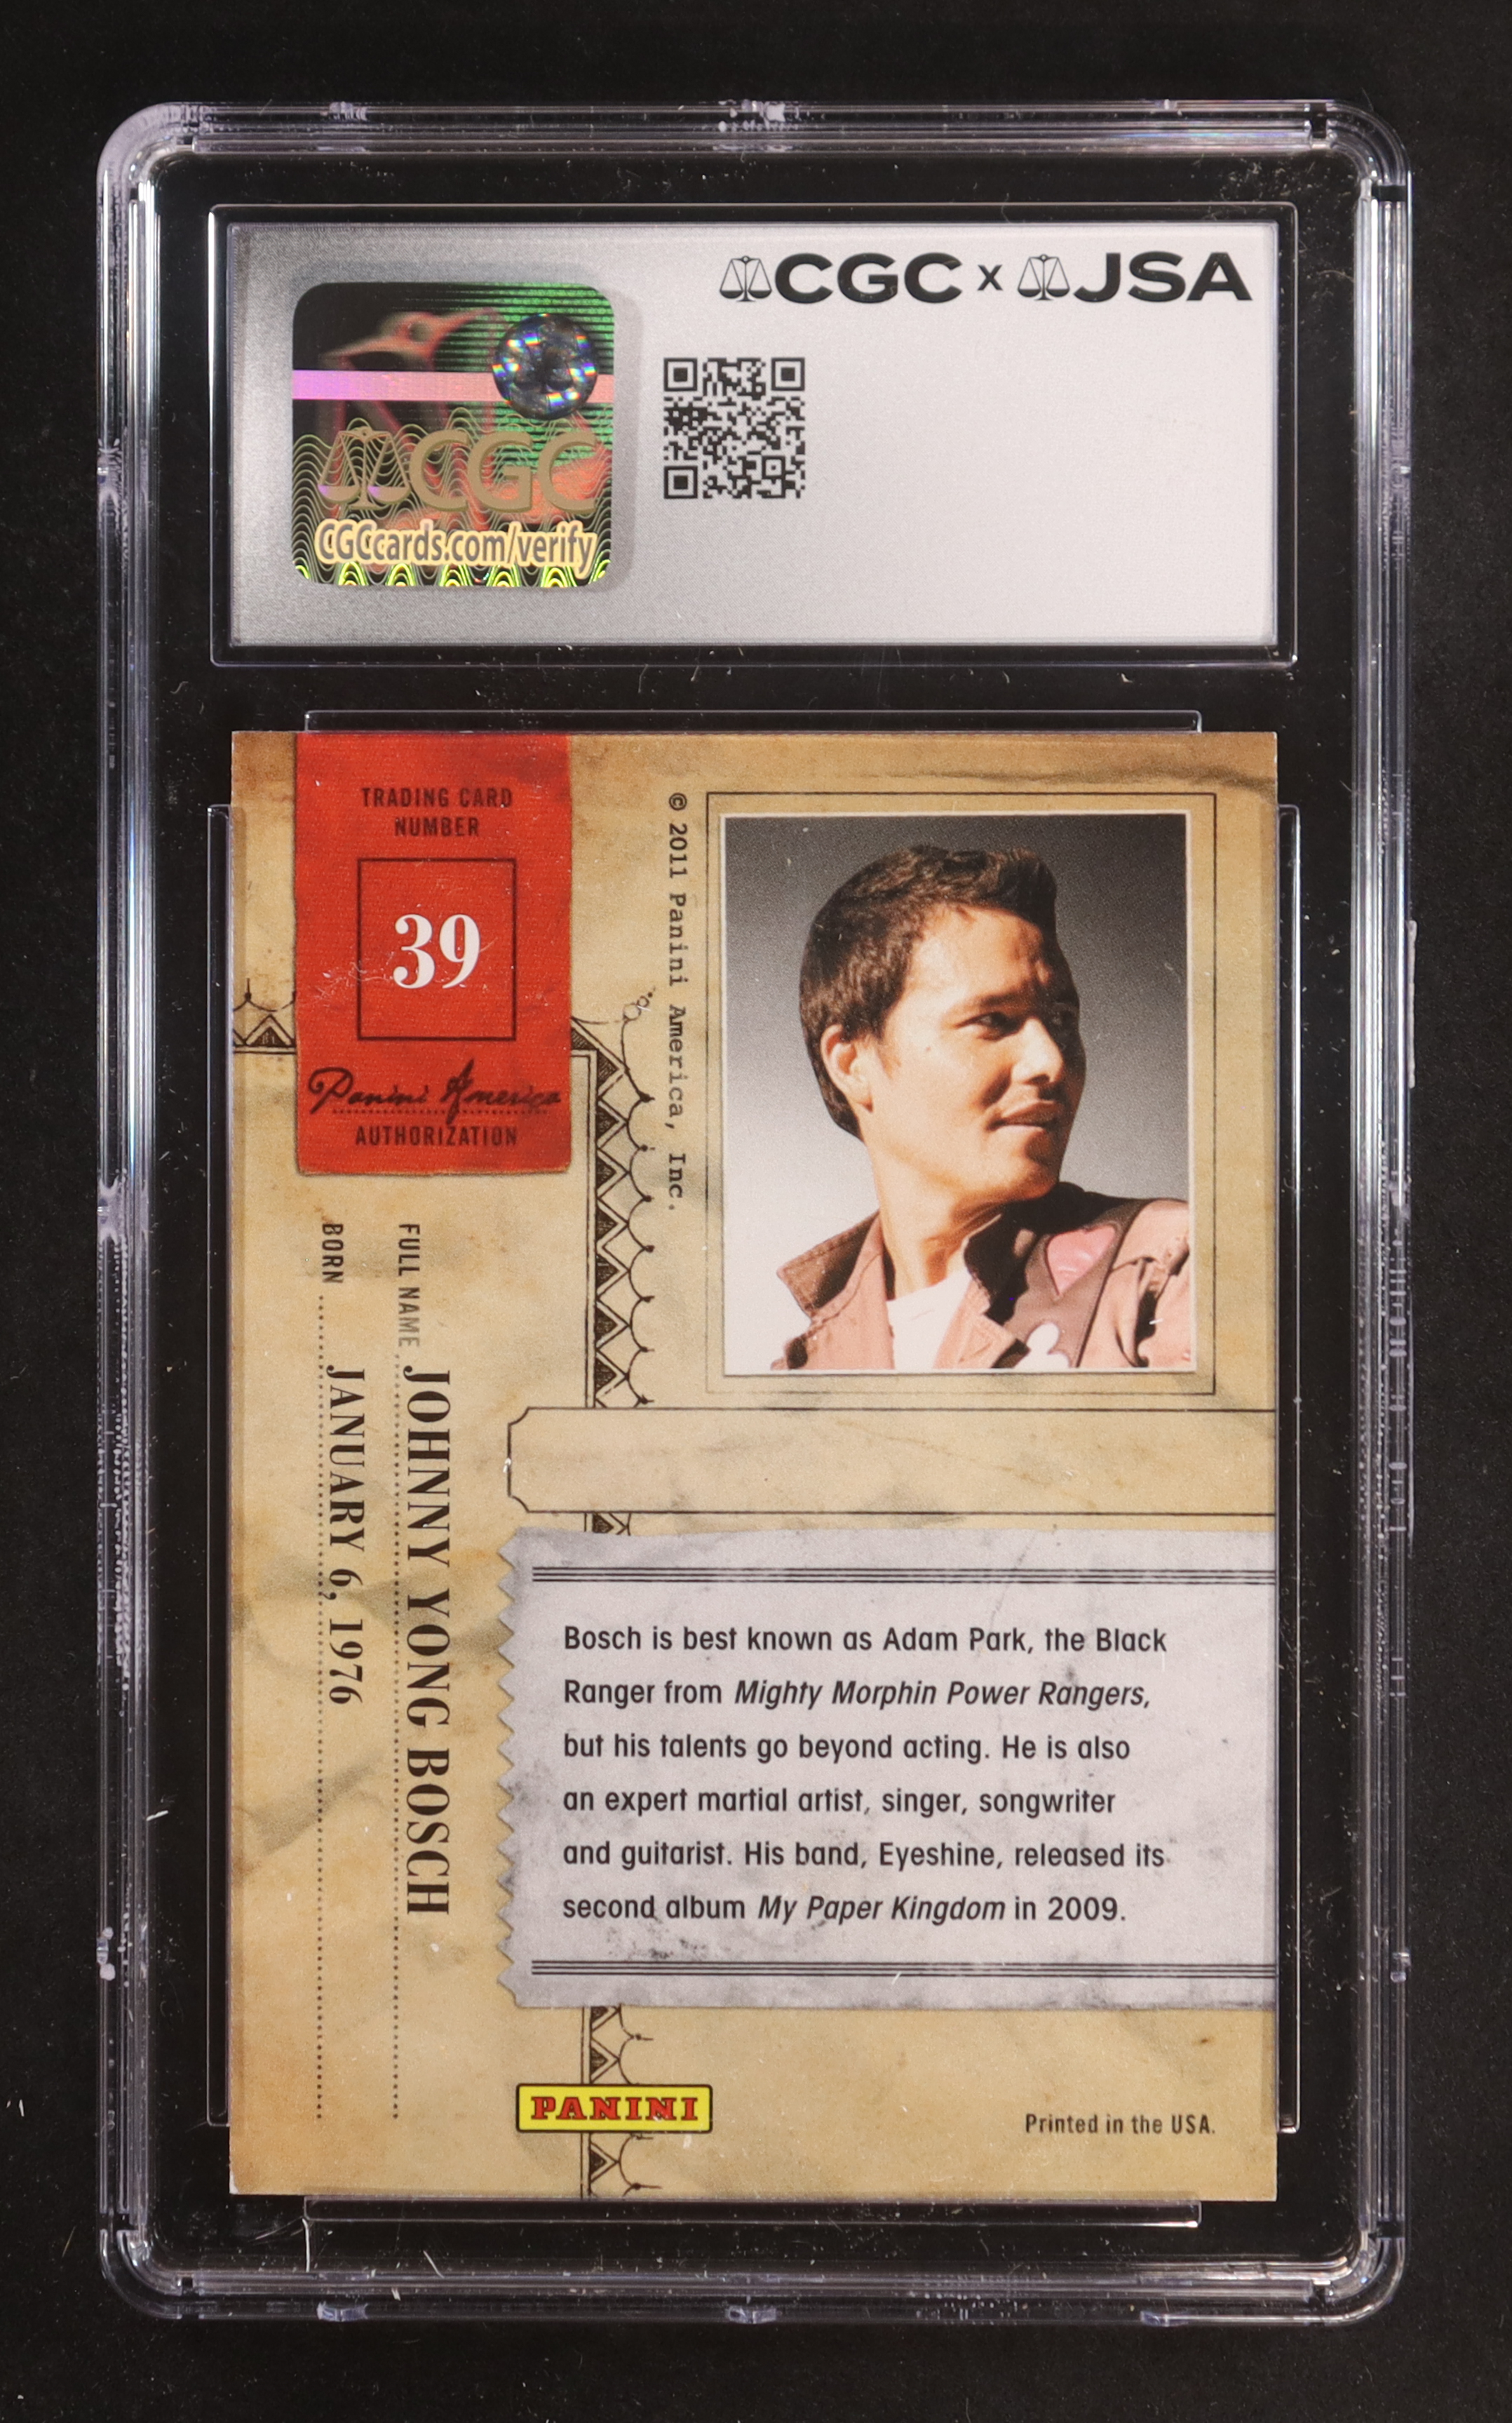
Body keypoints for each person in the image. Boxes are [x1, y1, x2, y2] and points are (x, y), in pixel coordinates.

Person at [774, 845, 1191, 1373]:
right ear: (852, 1063)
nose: (1051, 1061)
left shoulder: (1173, 1269)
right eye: (993, 1020)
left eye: (1062, 1020)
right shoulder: (801, 1376)